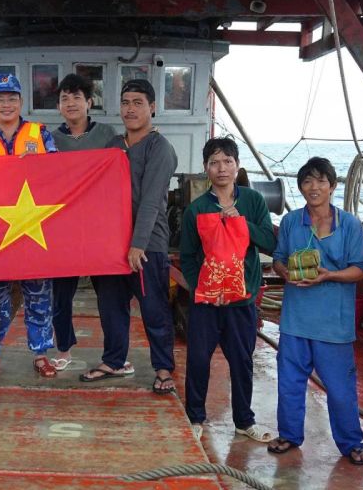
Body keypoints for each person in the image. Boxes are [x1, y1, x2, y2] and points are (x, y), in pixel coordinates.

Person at [270, 157, 363, 464]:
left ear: (333, 186)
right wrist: (286, 273)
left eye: (321, 181)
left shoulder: (350, 225)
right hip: (295, 320)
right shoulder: (291, 222)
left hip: (333, 325)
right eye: (307, 182)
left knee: (340, 389)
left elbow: (360, 270)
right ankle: (288, 434)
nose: (314, 188)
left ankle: (352, 442)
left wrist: (329, 275)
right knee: (289, 382)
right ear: (300, 187)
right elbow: (278, 258)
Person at [80, 79, 177, 393]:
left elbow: (150, 199)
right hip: (111, 244)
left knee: (154, 310)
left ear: (152, 107)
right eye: (125, 102)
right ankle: (114, 361)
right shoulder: (113, 146)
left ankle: (163, 369)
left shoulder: (160, 147)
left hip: (147, 245)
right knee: (111, 306)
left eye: (138, 102)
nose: (130, 109)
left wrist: (138, 244)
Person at [180, 137, 276, 441]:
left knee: (242, 361)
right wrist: (203, 288)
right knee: (197, 359)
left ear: (237, 165)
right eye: (214, 162)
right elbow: (188, 257)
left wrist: (243, 224)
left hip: (242, 300)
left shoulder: (252, 201)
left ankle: (244, 421)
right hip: (206, 303)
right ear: (206, 168)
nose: (221, 168)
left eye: (227, 161)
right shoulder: (196, 209)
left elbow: (270, 243)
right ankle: (195, 416)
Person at [0, 73, 60, 378]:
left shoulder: (41, 135)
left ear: (21, 102)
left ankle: (41, 352)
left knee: (39, 295)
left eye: (11, 98)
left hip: (34, 229)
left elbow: (59, 176)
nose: (5, 104)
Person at [50, 73, 118, 367]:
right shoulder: (49, 139)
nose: (71, 103)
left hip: (99, 229)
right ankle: (63, 349)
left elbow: (119, 176)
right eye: (65, 98)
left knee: (109, 298)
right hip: (62, 229)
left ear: (90, 103)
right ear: (59, 106)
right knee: (60, 297)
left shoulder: (108, 135)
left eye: (77, 97)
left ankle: (115, 355)